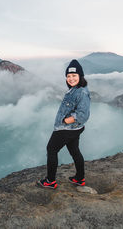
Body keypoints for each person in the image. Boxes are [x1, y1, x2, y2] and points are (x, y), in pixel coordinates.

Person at [38, 59, 91, 189]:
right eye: (68, 76)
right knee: (74, 151)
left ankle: (50, 181)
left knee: (51, 149)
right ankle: (79, 178)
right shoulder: (76, 89)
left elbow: (83, 115)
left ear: (80, 76)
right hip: (74, 129)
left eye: (74, 75)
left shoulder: (81, 92)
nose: (71, 78)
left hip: (66, 129)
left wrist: (67, 120)